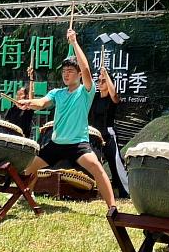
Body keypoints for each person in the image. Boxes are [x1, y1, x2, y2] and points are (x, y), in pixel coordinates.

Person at [18, 28, 116, 210]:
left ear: (79, 75)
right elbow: (41, 103)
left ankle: (112, 207)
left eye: (70, 70)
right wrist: (28, 103)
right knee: (29, 170)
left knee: (97, 168)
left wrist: (74, 42)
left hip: (78, 144)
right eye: (64, 71)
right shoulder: (57, 93)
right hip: (56, 143)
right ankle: (26, 197)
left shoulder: (86, 91)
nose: (66, 74)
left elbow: (86, 68)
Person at [89, 67, 130, 198]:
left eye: (103, 81)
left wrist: (106, 74)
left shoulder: (112, 99)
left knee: (115, 164)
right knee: (91, 163)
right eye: (99, 81)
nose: (100, 83)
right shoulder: (94, 98)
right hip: (94, 136)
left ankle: (125, 191)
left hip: (108, 135)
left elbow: (115, 95)